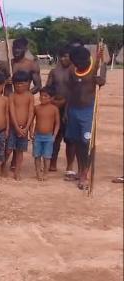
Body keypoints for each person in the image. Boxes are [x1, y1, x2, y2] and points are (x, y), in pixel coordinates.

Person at [66, 45, 106, 190]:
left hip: (88, 111)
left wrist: (101, 80)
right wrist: (66, 111)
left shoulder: (95, 66)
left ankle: (85, 173)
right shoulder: (72, 70)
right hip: (73, 110)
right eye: (78, 63)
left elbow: (102, 76)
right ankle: (81, 169)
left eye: (83, 63)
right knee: (77, 142)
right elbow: (70, 91)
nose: (81, 65)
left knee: (87, 143)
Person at [46, 45, 76, 176]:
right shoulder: (54, 72)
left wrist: (66, 103)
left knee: (70, 138)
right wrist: (52, 101)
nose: (63, 59)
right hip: (55, 106)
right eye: (62, 56)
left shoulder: (75, 71)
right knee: (55, 137)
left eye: (66, 56)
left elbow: (77, 91)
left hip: (70, 106)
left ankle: (70, 166)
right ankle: (52, 163)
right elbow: (48, 88)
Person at [5, 70, 34, 180]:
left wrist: (27, 128)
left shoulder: (30, 96)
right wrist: (16, 127)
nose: (19, 86)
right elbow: (11, 112)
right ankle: (3, 166)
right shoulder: (12, 96)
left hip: (24, 128)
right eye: (16, 84)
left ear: (27, 84)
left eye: (21, 84)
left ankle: (17, 172)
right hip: (13, 127)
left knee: (20, 151)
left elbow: (31, 112)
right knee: (8, 149)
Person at [30, 86, 60, 181]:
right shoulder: (36, 108)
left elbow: (57, 123)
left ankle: (45, 173)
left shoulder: (54, 109)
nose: (42, 98)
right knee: (37, 155)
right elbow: (31, 120)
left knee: (47, 157)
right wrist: (31, 131)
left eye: (45, 96)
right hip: (38, 136)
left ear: (51, 98)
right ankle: (38, 172)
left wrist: (54, 135)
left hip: (49, 137)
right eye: (41, 96)